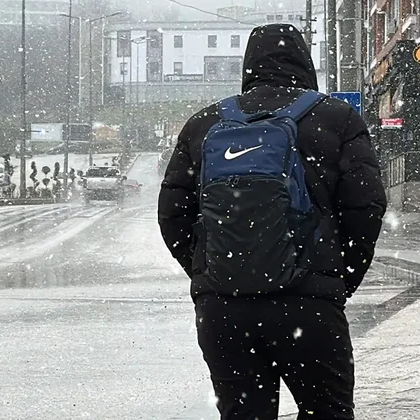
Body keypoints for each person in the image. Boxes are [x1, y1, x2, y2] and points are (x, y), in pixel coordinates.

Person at [158, 24, 387, 419]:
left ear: (249, 64)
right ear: (304, 61)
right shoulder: (336, 118)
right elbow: (365, 209)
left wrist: (211, 272)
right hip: (308, 305)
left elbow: (172, 214)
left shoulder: (205, 123)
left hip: (225, 310)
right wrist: (338, 279)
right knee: (327, 412)